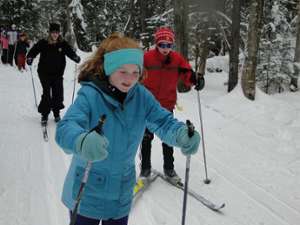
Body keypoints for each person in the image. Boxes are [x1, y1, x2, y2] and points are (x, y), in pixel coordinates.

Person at [55, 33, 200, 225]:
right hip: (87, 191)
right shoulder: (90, 95)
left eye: (135, 72)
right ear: (108, 68)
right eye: (122, 71)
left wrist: (181, 134)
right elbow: (66, 128)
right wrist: (80, 141)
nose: (130, 79)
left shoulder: (141, 96)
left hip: (121, 193)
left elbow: (163, 121)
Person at [140, 27, 204, 183]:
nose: (165, 49)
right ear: (157, 44)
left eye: (169, 45)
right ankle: (145, 169)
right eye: (162, 45)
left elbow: (187, 73)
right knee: (146, 138)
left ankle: (169, 169)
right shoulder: (146, 58)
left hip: (167, 105)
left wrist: (196, 80)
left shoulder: (177, 59)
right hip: (148, 106)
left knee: (168, 139)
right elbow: (136, 73)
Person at [26, 22, 80, 124]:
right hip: (44, 73)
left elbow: (69, 52)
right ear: (50, 33)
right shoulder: (43, 42)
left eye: (57, 32)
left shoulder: (62, 44)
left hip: (57, 74)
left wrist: (75, 57)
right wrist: (30, 57)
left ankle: (56, 113)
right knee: (46, 93)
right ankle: (45, 114)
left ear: (59, 33)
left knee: (58, 94)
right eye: (53, 32)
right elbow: (34, 50)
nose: (55, 34)